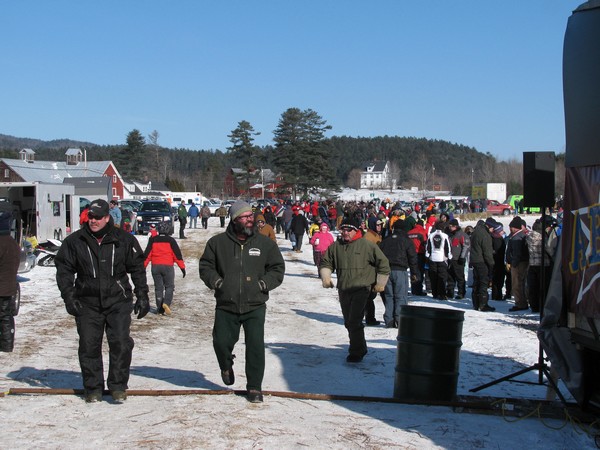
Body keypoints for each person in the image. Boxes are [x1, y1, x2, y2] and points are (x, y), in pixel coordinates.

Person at [55, 199, 149, 403]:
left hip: (118, 300)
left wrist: (142, 294)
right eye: (91, 217)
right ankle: (93, 388)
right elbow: (64, 271)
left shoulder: (124, 239)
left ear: (108, 217)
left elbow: (137, 269)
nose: (94, 221)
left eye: (98, 217)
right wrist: (69, 297)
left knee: (121, 344)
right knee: (89, 346)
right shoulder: (75, 241)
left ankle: (117, 387)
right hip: (87, 302)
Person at [199, 200, 285, 403]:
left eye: (251, 216)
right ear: (235, 220)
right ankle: (226, 365)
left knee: (255, 346)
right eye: (245, 217)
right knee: (221, 342)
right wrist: (217, 282)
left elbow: (277, 268)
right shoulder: (217, 243)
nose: (250, 220)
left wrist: (264, 284)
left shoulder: (265, 244)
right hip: (226, 303)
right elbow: (206, 267)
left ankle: (254, 387)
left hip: (255, 304)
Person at [320, 216, 390, 363]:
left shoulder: (367, 246)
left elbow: (383, 263)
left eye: (349, 230)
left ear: (356, 230)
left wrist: (380, 282)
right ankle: (359, 346)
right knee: (348, 322)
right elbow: (326, 261)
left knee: (354, 320)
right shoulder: (336, 246)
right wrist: (326, 275)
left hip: (362, 288)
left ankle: (356, 352)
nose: (345, 232)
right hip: (344, 288)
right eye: (343, 229)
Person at [379, 219, 419, 328]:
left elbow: (379, 256)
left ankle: (389, 319)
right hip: (400, 270)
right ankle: (399, 319)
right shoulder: (406, 241)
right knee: (400, 296)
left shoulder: (386, 240)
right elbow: (412, 257)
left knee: (388, 295)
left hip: (386, 271)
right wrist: (414, 272)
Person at [144, 221, 186, 315]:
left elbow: (147, 255)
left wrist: (142, 267)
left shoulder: (153, 239)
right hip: (168, 266)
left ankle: (159, 308)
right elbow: (177, 255)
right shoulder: (171, 240)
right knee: (169, 286)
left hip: (155, 266)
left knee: (158, 288)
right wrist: (182, 268)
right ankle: (166, 303)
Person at [469, 218, 497, 312]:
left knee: (476, 282)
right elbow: (487, 252)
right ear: (488, 226)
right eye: (493, 228)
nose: (493, 230)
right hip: (482, 261)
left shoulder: (476, 231)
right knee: (483, 283)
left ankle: (476, 304)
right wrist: (491, 264)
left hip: (474, 260)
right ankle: (483, 304)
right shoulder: (485, 235)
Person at [0, 223, 20, 352]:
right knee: (6, 315)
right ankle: (7, 344)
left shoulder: (1, 243)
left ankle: (6, 345)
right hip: (10, 285)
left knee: (4, 316)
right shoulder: (13, 243)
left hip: (1, 286)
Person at [506, 216, 529, 312]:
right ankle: (522, 302)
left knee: (517, 283)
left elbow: (517, 253)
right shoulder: (522, 235)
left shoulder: (516, 238)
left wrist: (513, 264)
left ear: (514, 227)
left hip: (518, 264)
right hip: (523, 263)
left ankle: (520, 303)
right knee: (521, 283)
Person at [425, 222, 452, 300]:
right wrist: (449, 258)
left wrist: (427, 257)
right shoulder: (445, 236)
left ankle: (435, 293)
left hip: (432, 258)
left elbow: (428, 248)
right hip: (442, 259)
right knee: (442, 277)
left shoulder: (431, 235)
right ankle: (442, 294)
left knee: (433, 277)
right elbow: (448, 248)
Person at [445, 219, 469, 299]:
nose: (449, 228)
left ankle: (461, 292)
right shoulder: (449, 235)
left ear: (455, 226)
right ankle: (450, 291)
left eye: (451, 226)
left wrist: (462, 257)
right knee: (450, 277)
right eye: (449, 226)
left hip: (458, 259)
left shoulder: (462, 235)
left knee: (460, 277)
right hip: (451, 259)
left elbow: (466, 246)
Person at [407, 219, 428, 296]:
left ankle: (413, 288)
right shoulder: (422, 232)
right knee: (420, 272)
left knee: (413, 271)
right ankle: (418, 290)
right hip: (420, 254)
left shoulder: (409, 232)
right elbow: (425, 243)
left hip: (410, 254)